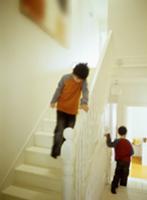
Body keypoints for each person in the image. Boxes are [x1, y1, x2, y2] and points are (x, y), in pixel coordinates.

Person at [50, 63, 89, 158]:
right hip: (61, 109)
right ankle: (55, 152)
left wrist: (84, 102)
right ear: (73, 72)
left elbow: (85, 91)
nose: (77, 80)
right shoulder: (65, 78)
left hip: (72, 111)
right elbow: (58, 90)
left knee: (68, 133)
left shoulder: (83, 82)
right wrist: (53, 101)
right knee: (59, 130)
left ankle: (63, 150)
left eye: (80, 79)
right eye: (76, 77)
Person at [105, 126, 134, 194]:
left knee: (117, 174)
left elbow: (109, 144)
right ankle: (123, 187)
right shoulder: (128, 142)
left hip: (119, 161)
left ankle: (113, 187)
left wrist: (108, 136)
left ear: (118, 132)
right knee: (125, 175)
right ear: (126, 133)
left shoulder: (117, 141)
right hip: (127, 162)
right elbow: (132, 152)